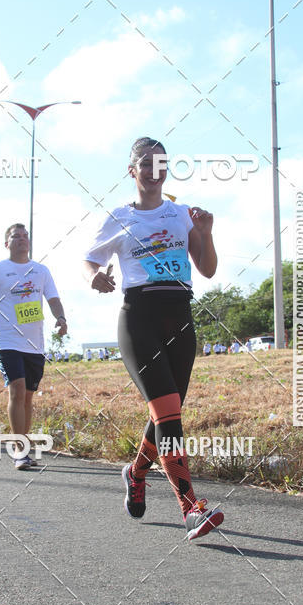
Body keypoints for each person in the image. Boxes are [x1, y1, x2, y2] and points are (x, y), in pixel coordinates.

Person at [83, 136, 224, 541]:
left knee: (167, 413)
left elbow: (209, 269)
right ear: (133, 171)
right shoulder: (120, 216)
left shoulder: (183, 214)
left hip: (180, 317)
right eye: (144, 163)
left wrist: (207, 232)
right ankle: (191, 509)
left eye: (160, 163)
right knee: (169, 416)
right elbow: (90, 258)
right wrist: (94, 276)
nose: (152, 169)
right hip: (139, 318)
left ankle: (137, 471)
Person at [0, 223, 68, 470]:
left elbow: (53, 298)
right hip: (7, 340)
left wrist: (61, 318)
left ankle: (23, 446)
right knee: (17, 388)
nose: (22, 240)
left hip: (34, 343)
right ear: (7, 244)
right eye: (16, 237)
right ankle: (19, 450)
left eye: (26, 236)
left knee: (27, 396)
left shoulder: (41, 270)